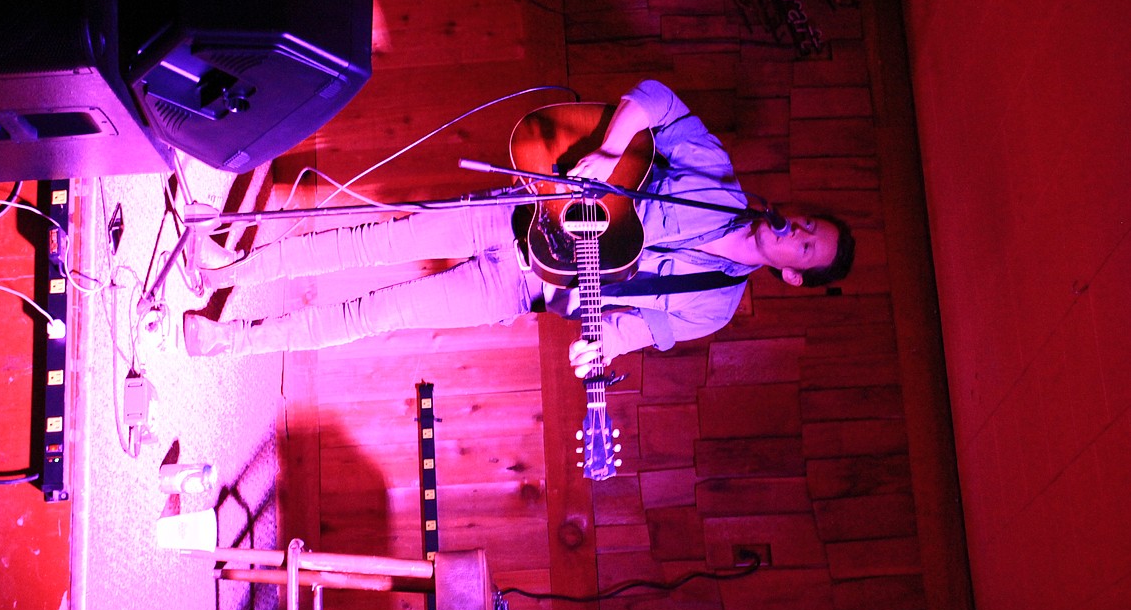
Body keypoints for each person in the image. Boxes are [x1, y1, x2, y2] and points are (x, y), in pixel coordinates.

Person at [183, 80, 855, 376]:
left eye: (805, 243)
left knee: (373, 313)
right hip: (519, 211)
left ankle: (226, 344)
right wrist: (606, 147)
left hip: (533, 287)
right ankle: (224, 268)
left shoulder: (714, 304)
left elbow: (632, 330)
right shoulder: (718, 174)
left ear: (793, 274)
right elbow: (656, 99)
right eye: (807, 221)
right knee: (370, 239)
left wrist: (602, 350)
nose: (795, 228)